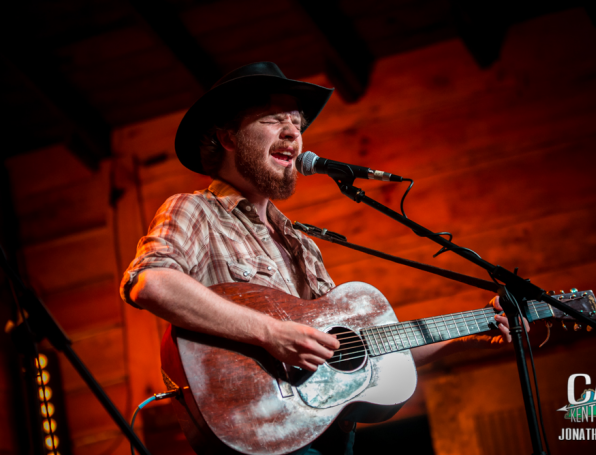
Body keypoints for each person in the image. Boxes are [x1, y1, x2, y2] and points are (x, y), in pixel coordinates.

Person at [119, 62, 523, 455]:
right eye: (273, 119)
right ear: (227, 137)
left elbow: (358, 349)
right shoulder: (196, 211)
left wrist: (467, 335)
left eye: (297, 123)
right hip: (256, 431)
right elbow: (149, 282)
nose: (293, 133)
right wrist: (271, 334)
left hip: (326, 436)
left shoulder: (302, 243)